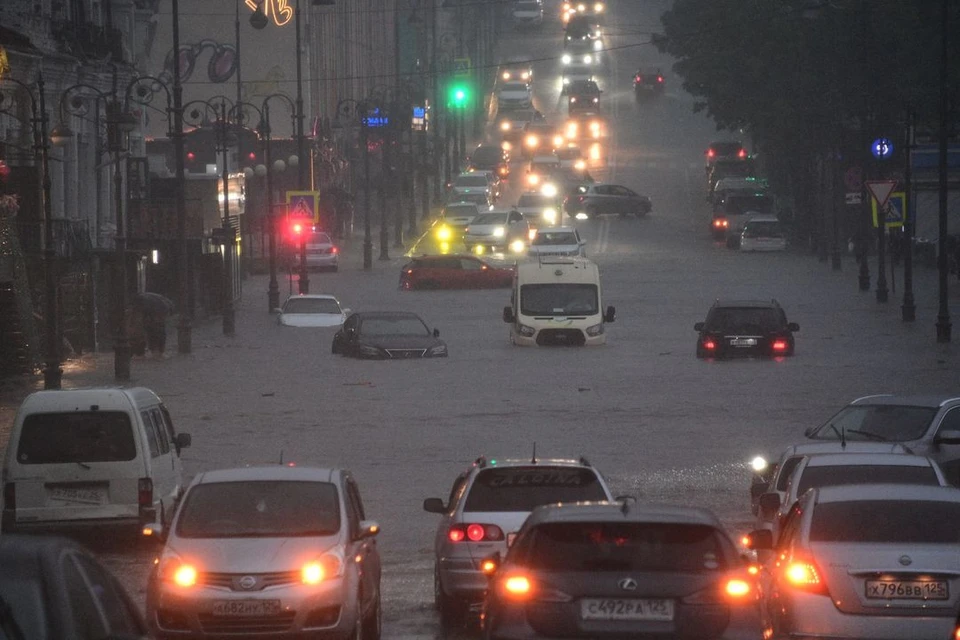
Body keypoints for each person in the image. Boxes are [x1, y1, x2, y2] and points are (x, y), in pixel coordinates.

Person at [133, 292, 174, 359]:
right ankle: (157, 352)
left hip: (148, 311)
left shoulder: (156, 302)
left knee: (147, 330)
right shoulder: (163, 305)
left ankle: (142, 353)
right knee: (157, 331)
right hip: (152, 312)